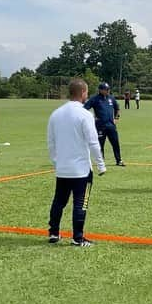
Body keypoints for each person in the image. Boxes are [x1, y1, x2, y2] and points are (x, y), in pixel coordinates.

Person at [47, 79, 107, 247]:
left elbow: (51, 142)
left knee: (59, 201)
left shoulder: (56, 114)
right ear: (82, 93)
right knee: (81, 202)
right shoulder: (85, 114)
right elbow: (93, 142)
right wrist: (101, 165)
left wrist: (56, 161)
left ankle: (53, 232)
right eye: (86, 92)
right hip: (81, 170)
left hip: (62, 169)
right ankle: (78, 237)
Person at [84, 83, 125, 166]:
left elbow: (117, 108)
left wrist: (117, 118)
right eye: (106, 89)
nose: (108, 91)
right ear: (100, 90)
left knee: (115, 143)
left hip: (111, 126)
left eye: (108, 89)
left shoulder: (111, 98)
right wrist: (91, 117)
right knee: (100, 145)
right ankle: (101, 162)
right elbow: (85, 108)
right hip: (100, 126)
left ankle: (119, 160)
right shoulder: (94, 99)